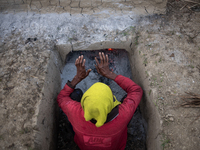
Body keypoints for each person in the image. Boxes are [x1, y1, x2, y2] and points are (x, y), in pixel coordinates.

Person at [57, 52, 143, 150]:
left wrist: (77, 78)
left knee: (74, 94)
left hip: (83, 146)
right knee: (130, 103)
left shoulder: (74, 112)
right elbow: (136, 90)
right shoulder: (123, 115)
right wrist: (110, 74)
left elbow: (61, 98)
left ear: (85, 102)